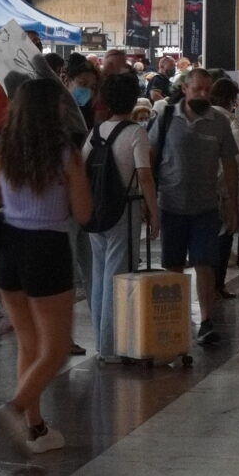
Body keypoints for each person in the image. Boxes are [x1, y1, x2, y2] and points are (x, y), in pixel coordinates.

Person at [0, 76, 90, 453]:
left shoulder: (0, 148)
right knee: (57, 348)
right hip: (47, 247)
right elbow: (83, 211)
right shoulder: (65, 153)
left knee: (29, 344)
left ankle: (37, 428)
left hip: (9, 248)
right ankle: (15, 408)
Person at [150, 67, 239, 346]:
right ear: (185, 88)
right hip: (171, 205)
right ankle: (175, 319)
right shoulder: (165, 117)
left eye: (206, 89)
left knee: (205, 264)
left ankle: (207, 321)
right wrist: (149, 201)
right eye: (197, 88)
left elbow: (230, 164)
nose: (202, 94)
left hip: (205, 207)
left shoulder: (219, 121)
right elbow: (150, 158)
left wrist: (232, 205)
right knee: (173, 265)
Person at [82, 70, 157, 361]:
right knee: (118, 278)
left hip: (96, 212)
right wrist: (154, 211)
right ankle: (113, 347)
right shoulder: (136, 132)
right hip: (124, 211)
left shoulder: (95, 132)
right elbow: (145, 177)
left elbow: (81, 165)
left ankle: (103, 342)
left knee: (100, 277)